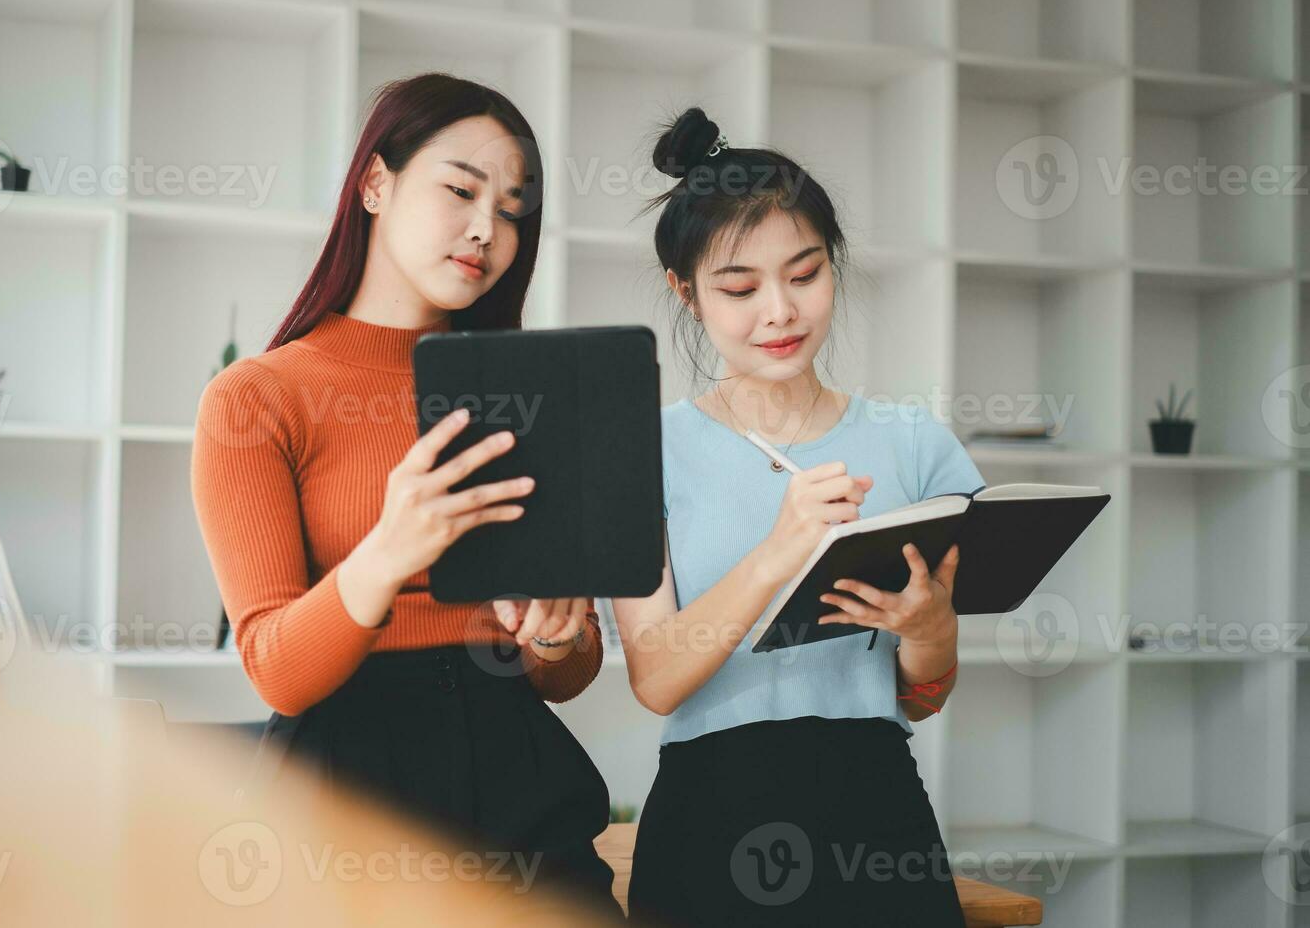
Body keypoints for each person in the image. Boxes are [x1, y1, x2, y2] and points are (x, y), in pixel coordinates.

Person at [190, 73, 621, 920]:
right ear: (376, 184)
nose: (485, 228)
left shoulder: (529, 390)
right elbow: (276, 671)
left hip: (522, 785)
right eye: (460, 189)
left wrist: (558, 632)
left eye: (512, 208)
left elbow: (567, 675)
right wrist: (391, 548)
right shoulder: (257, 398)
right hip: (346, 793)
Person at [615, 107, 981, 927]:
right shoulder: (644, 450)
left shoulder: (913, 441)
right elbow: (657, 677)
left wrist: (928, 629)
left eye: (806, 273)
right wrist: (781, 550)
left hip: (876, 809)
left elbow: (924, 695)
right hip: (709, 819)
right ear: (688, 293)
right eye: (740, 289)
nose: (778, 311)